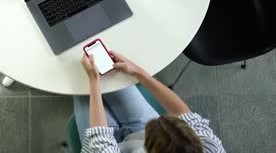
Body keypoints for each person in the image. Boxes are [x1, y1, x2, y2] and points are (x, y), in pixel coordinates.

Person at [75, 51, 225, 153]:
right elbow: (184, 114)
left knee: (82, 86)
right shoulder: (210, 147)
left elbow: (99, 139)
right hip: (139, 135)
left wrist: (93, 80)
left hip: (105, 147)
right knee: (110, 75)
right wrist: (138, 73)